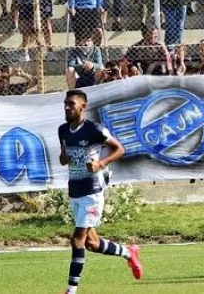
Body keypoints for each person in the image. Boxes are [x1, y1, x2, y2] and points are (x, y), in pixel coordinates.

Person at [58, 89, 143, 293]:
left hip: (92, 190)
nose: (67, 107)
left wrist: (101, 163)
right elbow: (63, 158)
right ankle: (129, 253)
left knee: (77, 239)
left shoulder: (95, 129)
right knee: (92, 243)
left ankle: (70, 291)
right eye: (65, 104)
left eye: (71, 103)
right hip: (75, 189)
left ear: (83, 107)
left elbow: (120, 149)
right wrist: (66, 157)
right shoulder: (63, 130)